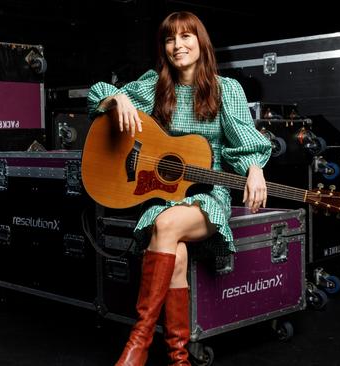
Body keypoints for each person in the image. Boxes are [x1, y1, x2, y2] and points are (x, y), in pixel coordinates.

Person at [87, 11, 272, 366]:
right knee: (176, 253)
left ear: (201, 42)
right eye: (170, 39)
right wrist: (116, 100)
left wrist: (254, 169)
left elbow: (246, 142)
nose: (178, 45)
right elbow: (99, 93)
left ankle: (138, 342)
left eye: (186, 37)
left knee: (165, 226)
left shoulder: (225, 89)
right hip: (165, 193)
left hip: (208, 195)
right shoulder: (154, 86)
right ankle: (179, 358)